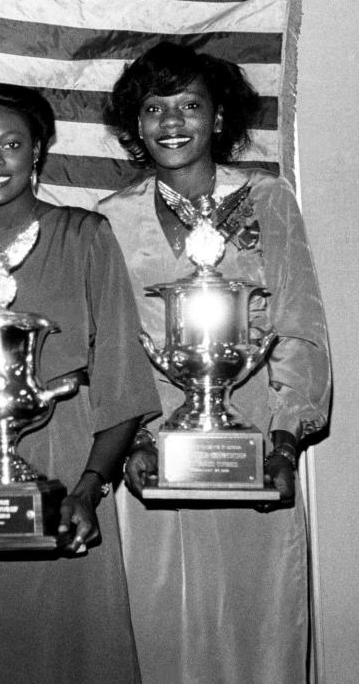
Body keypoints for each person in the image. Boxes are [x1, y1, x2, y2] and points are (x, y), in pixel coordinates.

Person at [98, 41, 332, 684]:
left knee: (257, 626)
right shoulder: (108, 219)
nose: (172, 122)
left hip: (252, 448)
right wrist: (136, 440)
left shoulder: (267, 198)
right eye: (154, 108)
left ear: (219, 118)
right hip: (153, 457)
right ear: (135, 125)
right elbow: (111, 349)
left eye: (189, 105)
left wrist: (283, 443)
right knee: (158, 626)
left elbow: (301, 326)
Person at [0, 83, 160, 684]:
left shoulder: (85, 236)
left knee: (80, 647)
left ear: (38, 154)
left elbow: (122, 377)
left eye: (11, 144)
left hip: (69, 458)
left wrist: (88, 488)